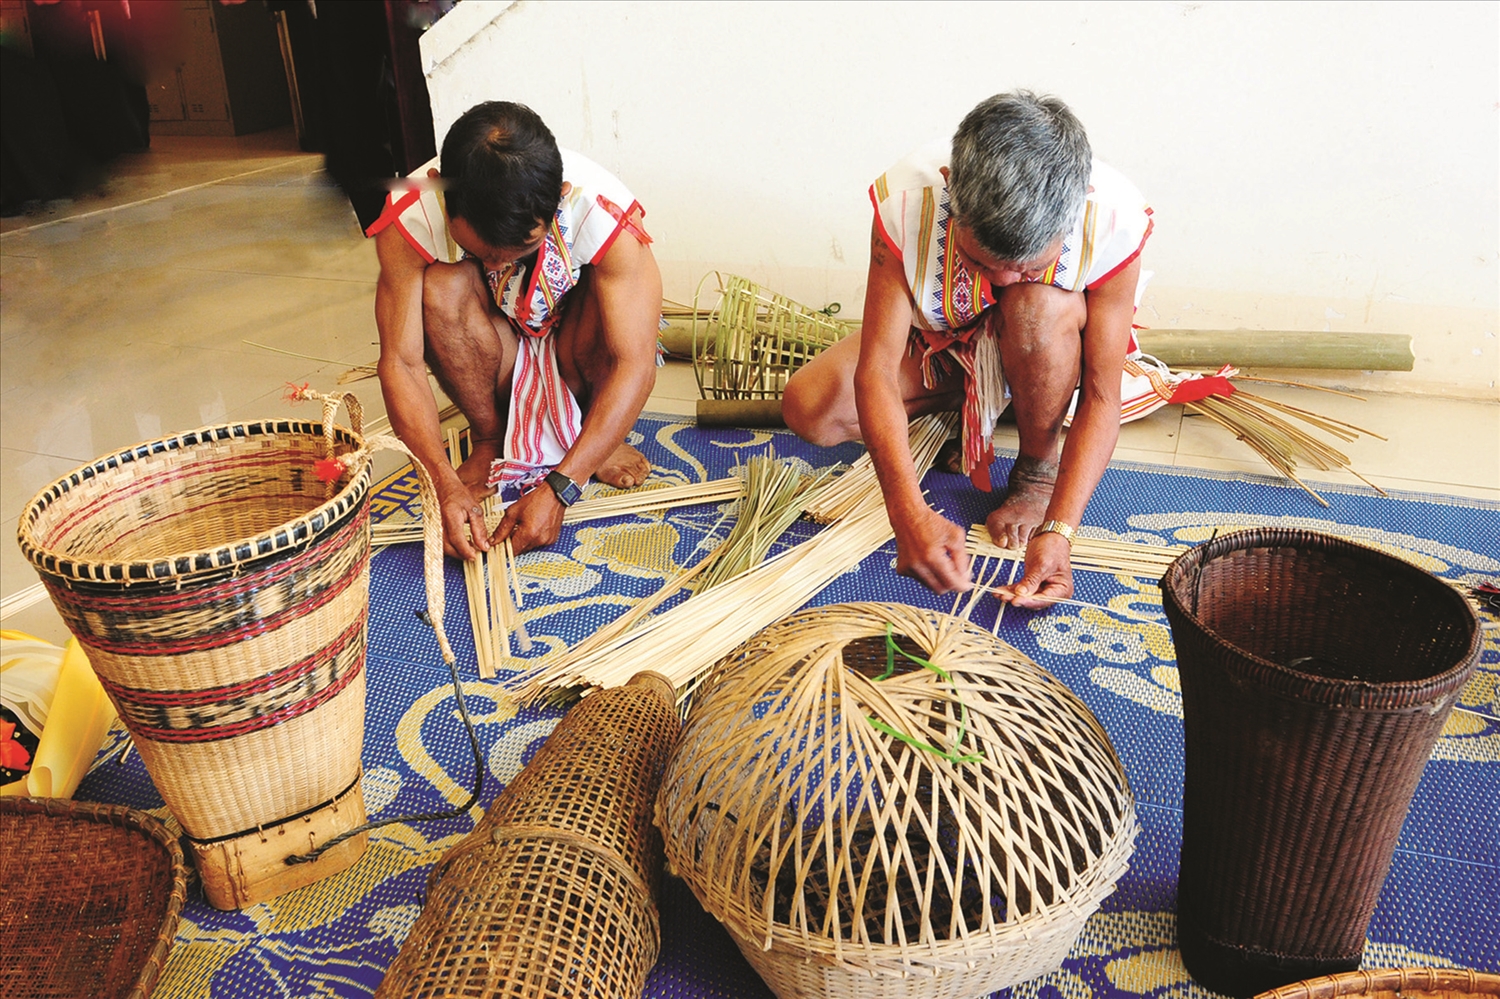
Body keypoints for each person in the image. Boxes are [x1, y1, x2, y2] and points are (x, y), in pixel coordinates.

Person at [783, 91, 1152, 608]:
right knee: (811, 408)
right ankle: (974, 406)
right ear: (950, 187)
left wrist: (1060, 529)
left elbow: (1101, 395)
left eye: (1027, 266)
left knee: (1034, 305)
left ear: (1077, 207)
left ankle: (1036, 467)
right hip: (945, 345)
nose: (1001, 280)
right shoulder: (907, 202)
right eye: (981, 262)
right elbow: (877, 371)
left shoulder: (1113, 220)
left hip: (1045, 342)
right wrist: (907, 512)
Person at [367, 101, 662, 559]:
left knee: (615, 309)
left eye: (518, 248)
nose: (498, 264)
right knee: (441, 288)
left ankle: (592, 438)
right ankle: (490, 437)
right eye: (483, 252)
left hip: (574, 351)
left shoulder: (602, 210)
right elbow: (400, 362)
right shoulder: (411, 212)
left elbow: (635, 362)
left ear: (561, 195)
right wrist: (441, 482)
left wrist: (562, 487)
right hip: (497, 347)